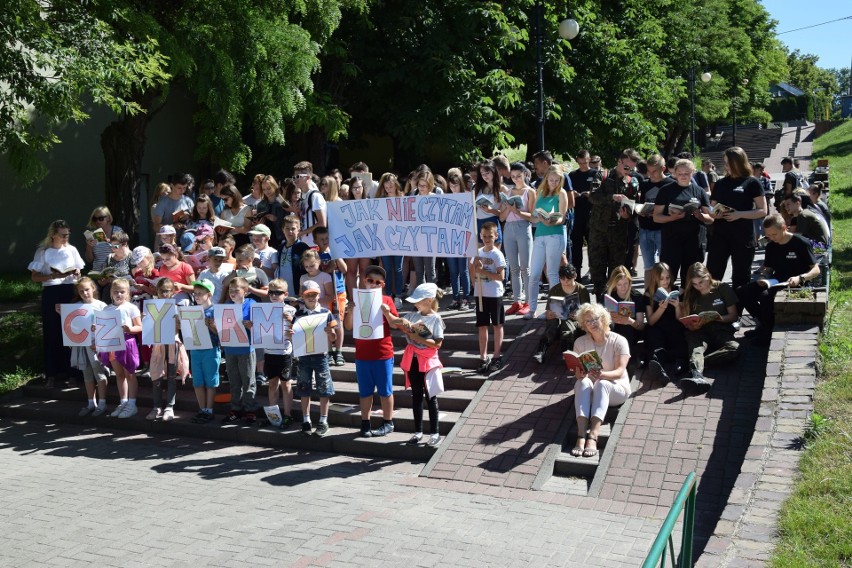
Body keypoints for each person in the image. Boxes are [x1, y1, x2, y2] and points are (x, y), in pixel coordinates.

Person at [737, 214, 820, 346]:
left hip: (796, 282)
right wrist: (763, 277)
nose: (771, 238)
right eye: (768, 235)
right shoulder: (771, 246)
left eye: (774, 234)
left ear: (784, 228)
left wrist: (800, 278)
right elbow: (768, 269)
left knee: (765, 297)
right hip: (776, 281)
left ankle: (766, 333)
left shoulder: (801, 243)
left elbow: (816, 270)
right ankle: (764, 324)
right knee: (742, 291)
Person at [381, 283, 445, 447]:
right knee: (416, 395)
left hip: (428, 360)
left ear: (429, 301)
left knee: (431, 397)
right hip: (414, 359)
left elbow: (437, 344)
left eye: (419, 301)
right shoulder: (412, 315)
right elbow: (395, 323)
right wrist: (388, 313)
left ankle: (435, 432)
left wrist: (418, 337)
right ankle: (418, 432)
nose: (415, 303)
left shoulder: (435, 318)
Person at [567, 303, 631, 458]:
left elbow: (619, 372)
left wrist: (601, 374)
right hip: (592, 385)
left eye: (595, 319)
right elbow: (579, 374)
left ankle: (593, 436)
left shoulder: (619, 340)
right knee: (581, 383)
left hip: (617, 387)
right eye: (587, 321)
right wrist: (579, 374)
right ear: (584, 325)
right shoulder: (580, 342)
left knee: (602, 384)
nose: (592, 324)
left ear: (603, 319)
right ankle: (581, 435)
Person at [343, 265, 398, 437]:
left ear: (382, 285)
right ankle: (365, 423)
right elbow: (348, 326)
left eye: (377, 282)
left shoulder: (387, 300)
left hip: (383, 354)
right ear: (364, 281)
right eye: (370, 281)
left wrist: (388, 313)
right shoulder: (356, 300)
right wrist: (349, 312)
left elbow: (395, 325)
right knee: (365, 392)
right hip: (363, 355)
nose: (373, 284)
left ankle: (388, 422)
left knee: (385, 390)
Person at [29, 219, 84, 387]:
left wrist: (76, 274)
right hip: (52, 291)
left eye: (68, 234)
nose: (66, 238)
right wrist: (52, 276)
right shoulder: (43, 251)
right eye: (62, 235)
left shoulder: (72, 250)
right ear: (53, 235)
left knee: (71, 331)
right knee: (52, 331)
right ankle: (51, 373)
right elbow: (34, 277)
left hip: (69, 290)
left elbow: (79, 274)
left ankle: (73, 373)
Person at [706, 147, 767, 291]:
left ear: (739, 163)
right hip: (720, 235)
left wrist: (739, 214)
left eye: (729, 163)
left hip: (743, 236)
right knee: (713, 273)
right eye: (725, 162)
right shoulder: (720, 183)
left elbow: (763, 211)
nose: (726, 166)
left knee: (741, 275)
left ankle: (737, 310)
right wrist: (715, 214)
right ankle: (713, 306)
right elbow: (711, 208)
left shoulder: (752, 182)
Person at [676, 263, 740, 392]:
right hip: (699, 331)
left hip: (720, 328)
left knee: (734, 348)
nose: (699, 286)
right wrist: (693, 326)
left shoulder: (722, 287)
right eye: (694, 284)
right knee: (696, 349)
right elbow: (687, 321)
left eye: (701, 282)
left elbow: (734, 316)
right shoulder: (691, 294)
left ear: (708, 275)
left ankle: (697, 363)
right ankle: (697, 376)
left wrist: (719, 318)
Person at [588, 149, 640, 296]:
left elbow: (633, 207)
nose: (629, 171)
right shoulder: (603, 175)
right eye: (626, 167)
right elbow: (593, 196)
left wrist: (627, 216)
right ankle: (599, 306)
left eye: (632, 168)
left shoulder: (632, 182)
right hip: (599, 230)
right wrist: (611, 197)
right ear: (619, 162)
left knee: (616, 272)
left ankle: (614, 307)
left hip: (618, 232)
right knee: (597, 270)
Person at [653, 159, 712, 287]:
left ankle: (688, 303)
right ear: (674, 174)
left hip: (694, 240)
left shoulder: (700, 191)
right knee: (668, 274)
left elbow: (710, 218)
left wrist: (701, 216)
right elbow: (656, 217)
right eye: (680, 173)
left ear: (693, 173)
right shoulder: (666, 190)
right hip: (672, 240)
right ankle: (667, 304)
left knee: (691, 277)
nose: (683, 176)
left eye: (687, 173)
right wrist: (672, 218)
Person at [293, 280, 339, 437]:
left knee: (324, 388)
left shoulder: (326, 313)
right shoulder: (297, 315)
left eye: (314, 295)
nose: (311, 298)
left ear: (318, 295)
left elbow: (333, 337)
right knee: (304, 388)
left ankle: (323, 420)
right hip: (304, 356)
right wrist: (289, 335)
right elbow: (292, 336)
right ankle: (306, 420)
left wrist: (330, 333)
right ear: (302, 297)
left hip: (320, 355)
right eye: (308, 295)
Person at [525, 165, 570, 319]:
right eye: (551, 179)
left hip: (554, 235)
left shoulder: (562, 193)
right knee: (534, 274)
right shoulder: (540, 192)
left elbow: (562, 217)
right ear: (546, 179)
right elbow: (533, 217)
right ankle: (531, 309)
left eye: (557, 180)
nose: (554, 183)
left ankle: (554, 310)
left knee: (552, 273)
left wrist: (550, 220)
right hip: (540, 235)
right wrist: (539, 218)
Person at [145, 278, 190, 421]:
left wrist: (178, 321)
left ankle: (169, 407)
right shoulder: (152, 306)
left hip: (172, 344)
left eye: (167, 291)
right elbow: (149, 328)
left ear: (173, 292)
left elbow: (182, 327)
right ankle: (156, 406)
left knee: (171, 376)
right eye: (161, 291)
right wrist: (145, 320)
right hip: (158, 345)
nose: (164, 294)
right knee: (156, 375)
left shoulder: (176, 307)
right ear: (157, 291)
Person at [98, 279, 143, 418]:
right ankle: (123, 401)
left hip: (127, 342)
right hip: (112, 344)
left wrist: (130, 329)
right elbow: (103, 328)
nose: (118, 294)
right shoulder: (107, 309)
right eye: (116, 292)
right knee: (119, 374)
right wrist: (97, 328)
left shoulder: (131, 308)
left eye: (122, 292)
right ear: (111, 293)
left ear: (127, 293)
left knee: (129, 373)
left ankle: (132, 403)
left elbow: (140, 327)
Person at [219, 277, 261, 424]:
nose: (233, 293)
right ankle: (235, 409)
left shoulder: (252, 304)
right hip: (230, 350)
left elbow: (261, 327)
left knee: (248, 380)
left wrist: (251, 325)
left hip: (246, 349)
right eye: (230, 291)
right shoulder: (226, 305)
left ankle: (250, 409)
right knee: (234, 381)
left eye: (236, 290)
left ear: (246, 291)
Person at [68, 277, 110, 416]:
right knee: (86, 374)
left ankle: (102, 403)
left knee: (99, 373)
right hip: (81, 345)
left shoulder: (101, 305)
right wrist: (62, 314)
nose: (85, 293)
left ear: (93, 288)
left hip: (95, 346)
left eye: (87, 289)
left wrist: (99, 343)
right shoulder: (76, 307)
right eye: (81, 291)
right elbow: (71, 325)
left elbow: (107, 328)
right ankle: (91, 403)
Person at [532, 264, 590, 364]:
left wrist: (578, 316)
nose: (565, 281)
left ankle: (566, 353)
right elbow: (548, 312)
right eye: (562, 279)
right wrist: (549, 314)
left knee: (567, 325)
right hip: (558, 319)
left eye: (568, 278)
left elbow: (587, 313)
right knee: (552, 324)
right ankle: (541, 352)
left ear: (575, 276)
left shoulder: (582, 290)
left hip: (574, 320)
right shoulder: (554, 290)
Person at [470, 222, 507, 375]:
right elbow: (472, 271)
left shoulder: (497, 254)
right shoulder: (477, 252)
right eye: (484, 236)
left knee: (497, 325)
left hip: (495, 294)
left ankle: (497, 356)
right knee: (482, 326)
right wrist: (474, 275)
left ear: (496, 236)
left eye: (490, 236)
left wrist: (483, 273)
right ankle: (483, 357)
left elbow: (501, 277)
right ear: (480, 236)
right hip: (481, 294)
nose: (487, 239)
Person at [261, 278, 298, 429]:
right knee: (272, 384)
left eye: (278, 293)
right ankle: (273, 416)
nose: (274, 295)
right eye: (271, 293)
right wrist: (251, 325)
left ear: (285, 294)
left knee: (286, 384)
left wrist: (292, 321)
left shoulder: (291, 310)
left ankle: (288, 415)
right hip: (269, 352)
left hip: (284, 353)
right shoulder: (264, 309)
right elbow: (259, 328)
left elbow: (298, 330)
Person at [501, 162, 536, 316]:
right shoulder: (508, 192)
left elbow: (534, 217)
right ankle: (517, 301)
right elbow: (502, 217)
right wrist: (505, 208)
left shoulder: (530, 192)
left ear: (525, 175)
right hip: (508, 228)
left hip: (523, 227)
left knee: (525, 268)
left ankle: (529, 302)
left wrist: (517, 211)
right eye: (513, 176)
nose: (516, 179)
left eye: (519, 176)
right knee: (513, 268)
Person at [643, 262, 687, 384]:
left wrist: (678, 307)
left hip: (674, 325)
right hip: (657, 327)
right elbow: (651, 321)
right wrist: (661, 308)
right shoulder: (649, 293)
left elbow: (680, 319)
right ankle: (659, 369)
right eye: (661, 278)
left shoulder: (678, 291)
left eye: (667, 278)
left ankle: (667, 360)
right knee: (655, 342)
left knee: (683, 344)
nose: (665, 281)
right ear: (655, 278)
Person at [636, 154, 673, 287]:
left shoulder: (671, 184)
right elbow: (640, 204)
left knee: (664, 267)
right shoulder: (644, 184)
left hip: (663, 230)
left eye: (654, 171)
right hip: (645, 229)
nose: (650, 174)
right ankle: (648, 297)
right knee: (648, 267)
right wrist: (641, 210)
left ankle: (665, 297)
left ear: (663, 168)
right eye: (648, 171)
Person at [189, 279, 221, 423]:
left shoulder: (215, 310)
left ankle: (209, 410)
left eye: (200, 293)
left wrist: (211, 326)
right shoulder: (191, 310)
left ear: (209, 294)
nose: (197, 296)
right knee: (197, 382)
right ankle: (202, 409)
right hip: (196, 349)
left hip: (211, 350)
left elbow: (223, 336)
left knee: (210, 381)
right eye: (195, 293)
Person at [568, 150, 602, 280]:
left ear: (589, 160)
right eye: (580, 163)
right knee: (576, 246)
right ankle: (576, 274)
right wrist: (573, 194)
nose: (583, 165)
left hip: (591, 214)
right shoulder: (573, 175)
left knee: (593, 246)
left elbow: (600, 192)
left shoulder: (595, 174)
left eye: (585, 162)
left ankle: (594, 273)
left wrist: (591, 194)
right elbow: (567, 192)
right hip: (577, 214)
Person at [603, 266, 646, 361]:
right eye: (619, 284)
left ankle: (621, 357)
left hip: (631, 329)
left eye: (626, 284)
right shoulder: (609, 295)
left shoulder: (636, 296)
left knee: (626, 329)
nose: (623, 288)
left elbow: (641, 326)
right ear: (614, 285)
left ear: (630, 282)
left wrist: (630, 321)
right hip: (614, 326)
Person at [444, 169, 472, 310]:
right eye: (451, 186)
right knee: (453, 271)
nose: (453, 188)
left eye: (456, 185)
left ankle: (466, 299)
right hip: (450, 239)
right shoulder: (446, 198)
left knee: (463, 270)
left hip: (463, 238)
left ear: (460, 184)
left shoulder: (468, 196)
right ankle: (455, 298)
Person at [275, 214, 311, 296]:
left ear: (299, 230)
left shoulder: (303, 247)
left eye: (293, 229)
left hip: (298, 291)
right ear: (283, 230)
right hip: (282, 291)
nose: (290, 231)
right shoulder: (280, 247)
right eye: (287, 228)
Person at [295, 161, 326, 247]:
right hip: (304, 243)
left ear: (308, 177)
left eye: (298, 176)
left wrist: (302, 233)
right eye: (294, 177)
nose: (295, 180)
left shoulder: (315, 196)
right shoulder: (303, 195)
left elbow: (322, 223)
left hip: (314, 244)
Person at [84, 207, 123, 271]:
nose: (97, 221)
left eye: (101, 218)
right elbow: (89, 260)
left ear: (108, 218)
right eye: (95, 219)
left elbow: (124, 252)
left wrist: (111, 243)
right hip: (98, 273)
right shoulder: (93, 234)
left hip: (115, 272)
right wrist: (89, 246)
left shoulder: (117, 231)